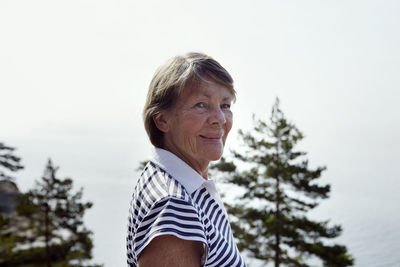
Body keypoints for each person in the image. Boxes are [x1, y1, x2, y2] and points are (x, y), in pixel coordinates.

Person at [126, 52, 247, 267]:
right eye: (201, 104)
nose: (219, 118)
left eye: (225, 105)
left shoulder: (181, 182)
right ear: (162, 119)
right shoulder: (173, 205)